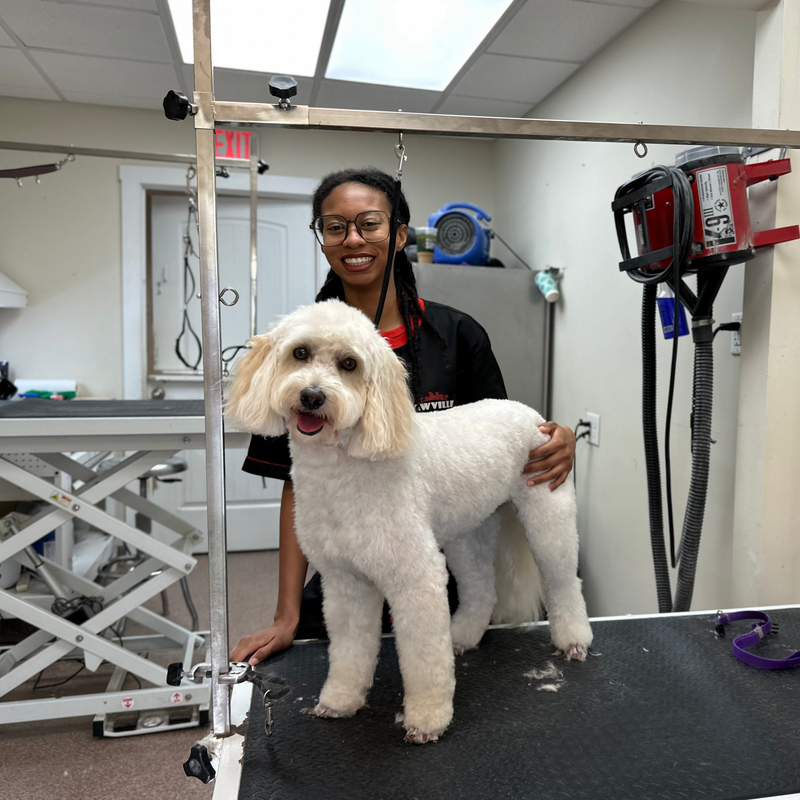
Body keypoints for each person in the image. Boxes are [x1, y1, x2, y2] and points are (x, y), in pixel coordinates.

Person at [230, 167, 576, 666]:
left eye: (369, 223)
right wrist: (285, 616)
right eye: (334, 227)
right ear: (322, 240)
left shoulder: (458, 335)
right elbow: (295, 489)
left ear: (398, 235)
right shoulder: (296, 352)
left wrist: (559, 437)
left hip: (444, 582)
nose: (353, 238)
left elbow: (500, 439)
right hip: (348, 575)